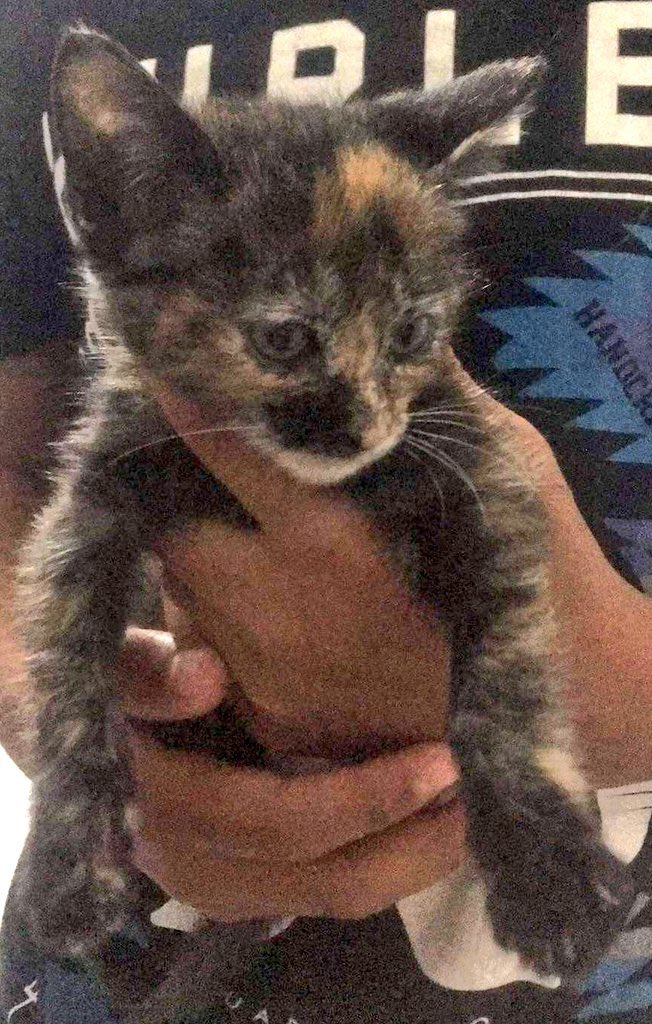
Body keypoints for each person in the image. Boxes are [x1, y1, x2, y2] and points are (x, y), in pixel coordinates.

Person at [1, 2, 651, 1022]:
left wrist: (600, 711)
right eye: (286, 342)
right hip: (133, 929)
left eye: (406, 340)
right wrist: (71, 765)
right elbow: (20, 476)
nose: (373, 420)